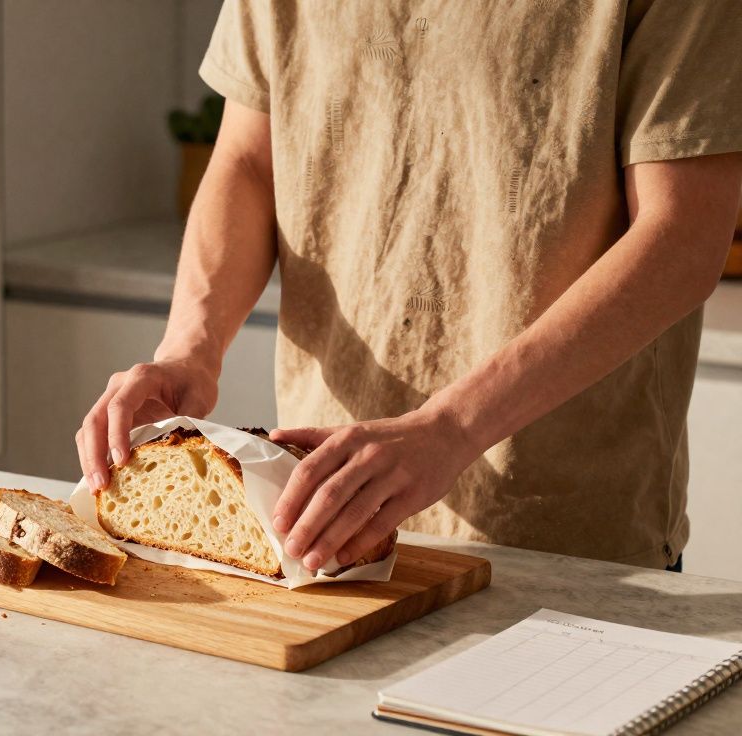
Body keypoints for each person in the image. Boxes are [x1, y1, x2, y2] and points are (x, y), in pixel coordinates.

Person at [76, 1, 742, 572]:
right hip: (321, 523)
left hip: (564, 537)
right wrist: (190, 345)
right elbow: (250, 161)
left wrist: (450, 427)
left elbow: (683, 237)